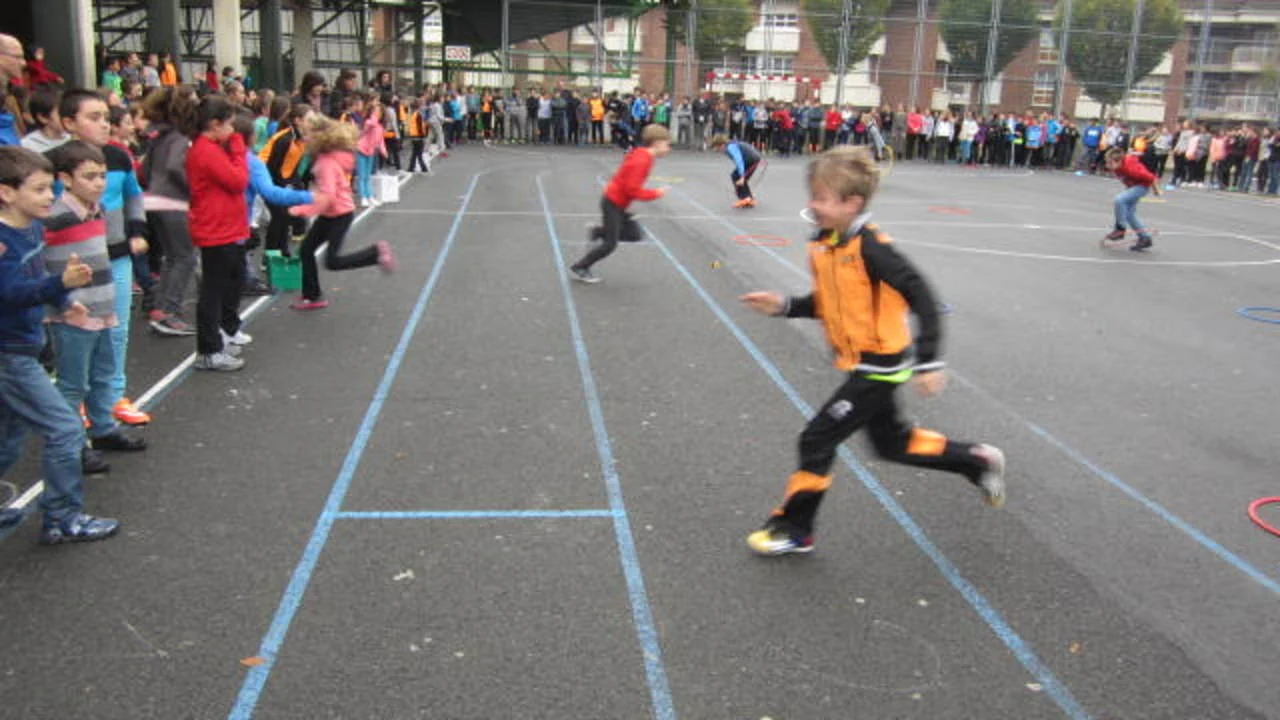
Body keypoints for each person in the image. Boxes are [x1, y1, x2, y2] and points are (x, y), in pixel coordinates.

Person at [738, 146, 1006, 556]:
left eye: (822, 198)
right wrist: (786, 305)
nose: (813, 205)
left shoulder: (873, 248)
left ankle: (794, 529)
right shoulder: (825, 244)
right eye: (813, 196)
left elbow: (923, 297)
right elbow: (829, 303)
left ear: (851, 203)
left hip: (879, 366)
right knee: (892, 445)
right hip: (860, 363)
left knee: (817, 438)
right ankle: (976, 461)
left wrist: (929, 361)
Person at [0, 145, 120, 544]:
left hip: (24, 347)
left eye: (50, 188)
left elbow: (38, 281)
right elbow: (11, 293)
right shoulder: (4, 243)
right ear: (6, 193)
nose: (49, 197)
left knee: (8, 438)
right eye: (38, 189)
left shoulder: (32, 228)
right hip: (9, 355)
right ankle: (62, 518)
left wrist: (65, 301)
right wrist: (60, 285)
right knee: (65, 430)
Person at [43, 140, 147, 453]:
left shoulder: (98, 210)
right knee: (73, 383)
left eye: (102, 175)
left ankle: (103, 429)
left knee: (102, 375)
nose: (99, 183)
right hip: (73, 314)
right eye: (89, 176)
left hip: (102, 309)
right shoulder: (56, 216)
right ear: (65, 179)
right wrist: (60, 302)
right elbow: (39, 262)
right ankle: (71, 445)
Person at [287, 115, 396, 311]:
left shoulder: (326, 163)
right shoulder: (325, 158)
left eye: (307, 135)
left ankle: (375, 253)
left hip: (340, 215)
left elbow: (327, 196)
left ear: (320, 137)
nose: (305, 138)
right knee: (306, 250)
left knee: (333, 261)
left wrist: (303, 210)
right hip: (330, 214)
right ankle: (312, 296)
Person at [185, 94, 251, 371]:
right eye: (229, 124)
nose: (232, 131)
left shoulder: (209, 149)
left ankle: (221, 335)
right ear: (215, 124)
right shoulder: (206, 151)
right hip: (216, 229)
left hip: (223, 227)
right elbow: (238, 180)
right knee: (214, 289)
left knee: (230, 282)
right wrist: (238, 149)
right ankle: (210, 348)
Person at [568, 124, 671, 284]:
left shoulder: (644, 156)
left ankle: (598, 232)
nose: (668, 148)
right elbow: (632, 190)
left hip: (618, 203)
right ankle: (580, 267)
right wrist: (655, 193)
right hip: (613, 202)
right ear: (656, 143)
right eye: (667, 144)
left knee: (634, 234)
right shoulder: (642, 160)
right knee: (610, 244)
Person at [1102, 146, 1160, 252]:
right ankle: (1144, 238)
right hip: (1133, 187)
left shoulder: (1131, 167)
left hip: (1142, 186)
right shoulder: (1118, 168)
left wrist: (1156, 190)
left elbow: (1151, 177)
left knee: (1119, 200)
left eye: (1110, 163)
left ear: (1119, 161)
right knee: (1129, 214)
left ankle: (1120, 229)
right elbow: (1128, 180)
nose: (1107, 166)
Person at [708, 134, 762, 209]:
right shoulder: (729, 146)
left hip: (751, 159)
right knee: (737, 176)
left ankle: (745, 198)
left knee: (737, 177)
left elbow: (738, 160)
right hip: (752, 158)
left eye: (717, 148)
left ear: (721, 145)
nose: (718, 150)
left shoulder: (730, 147)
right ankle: (749, 198)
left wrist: (742, 176)